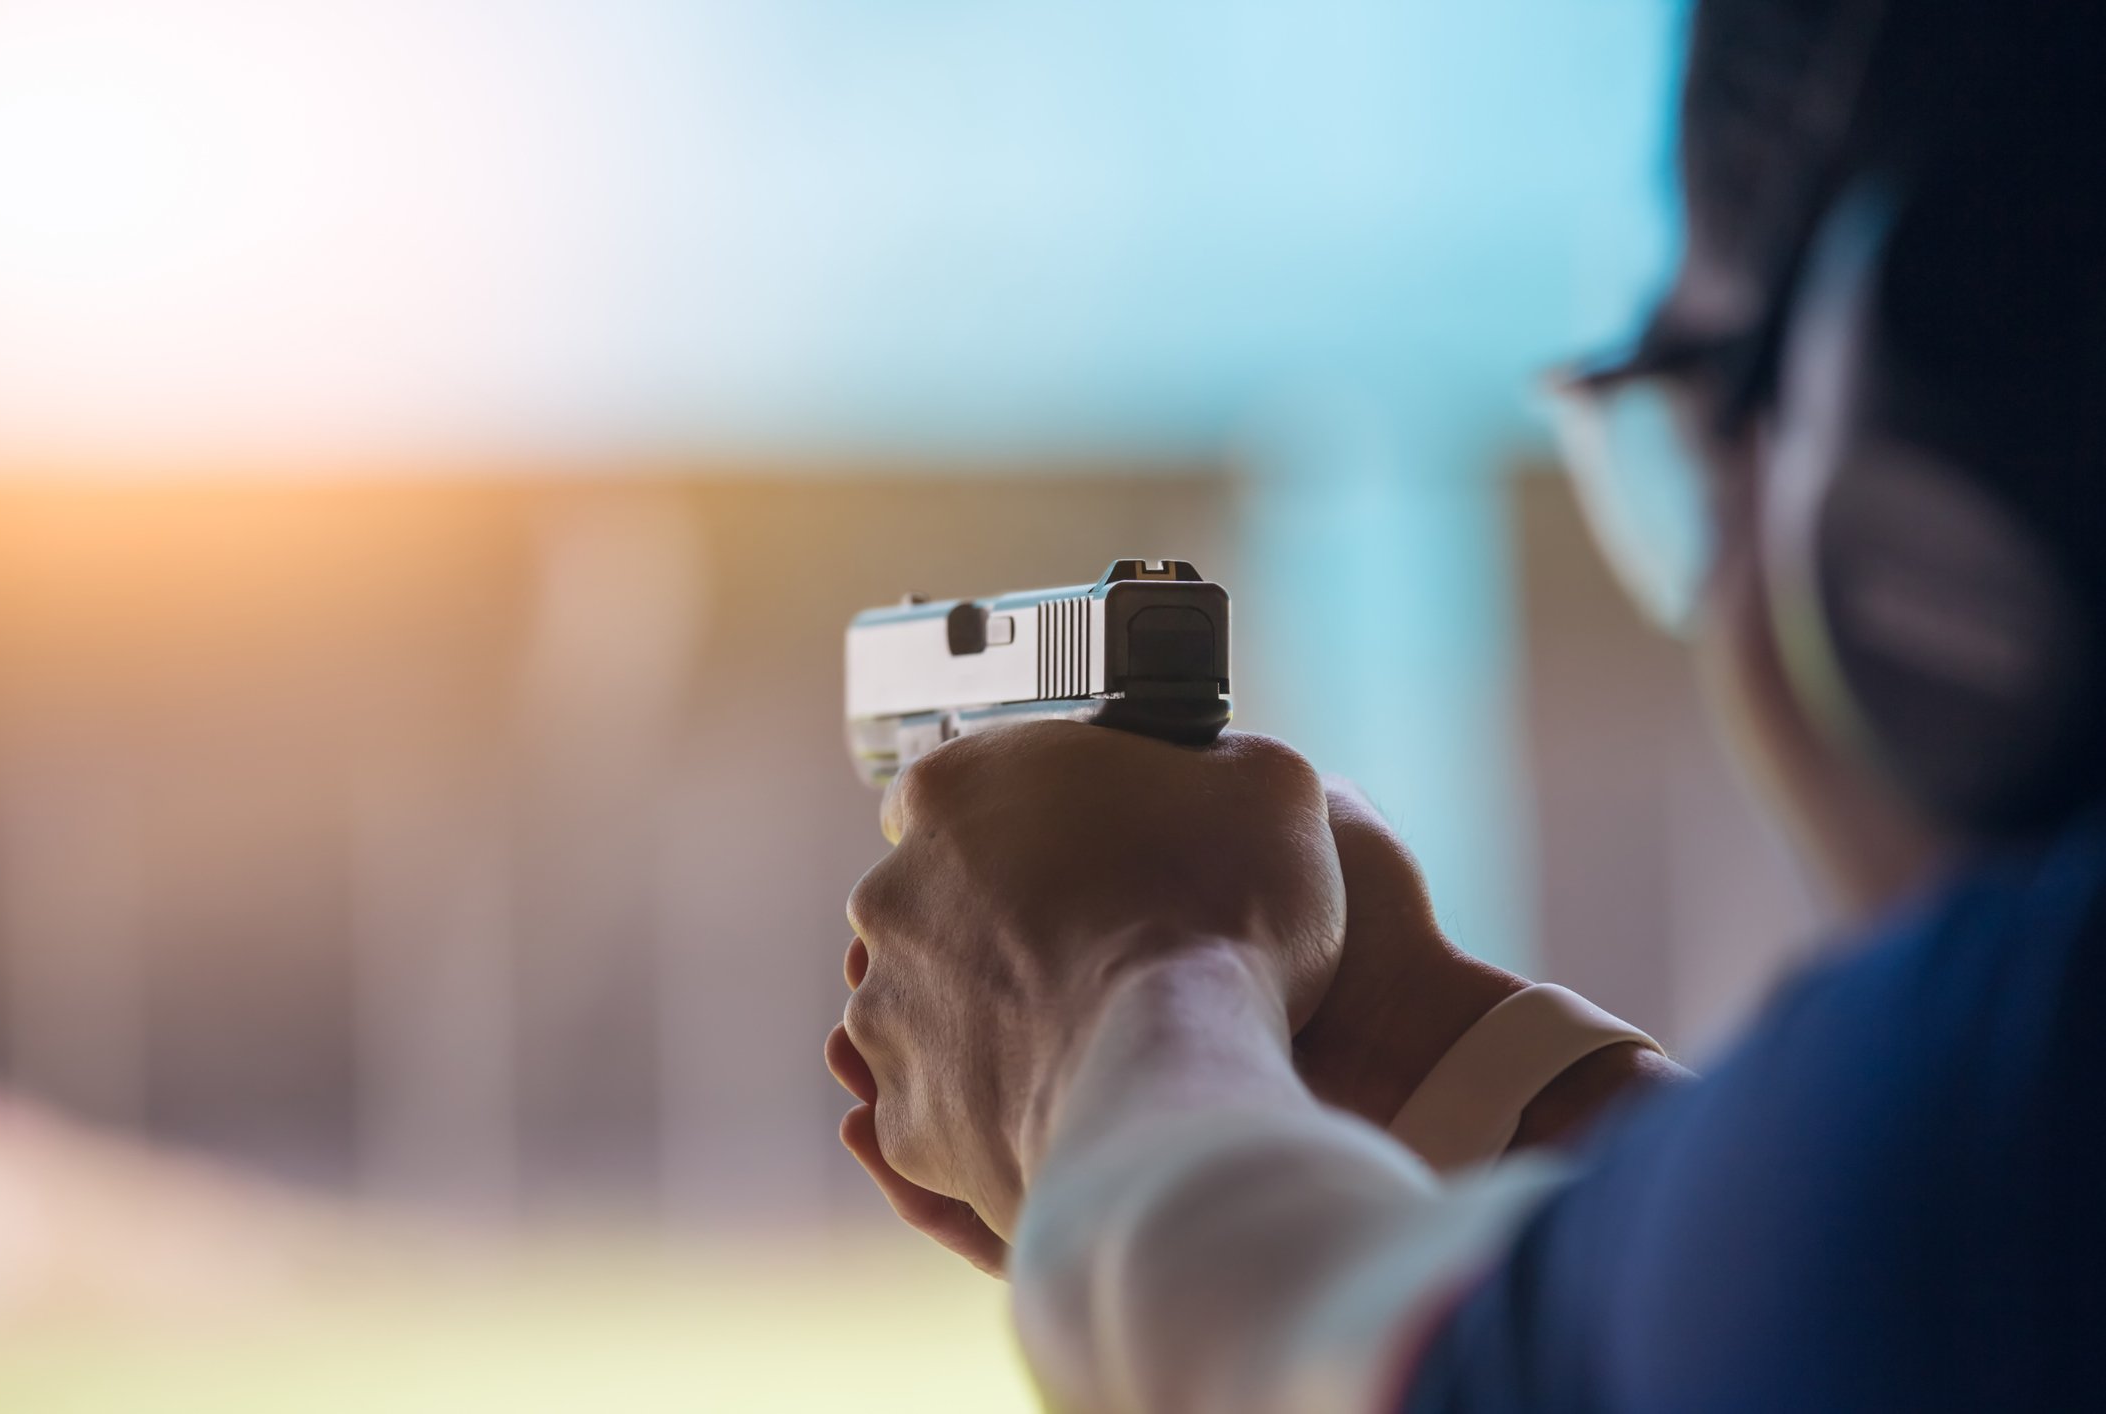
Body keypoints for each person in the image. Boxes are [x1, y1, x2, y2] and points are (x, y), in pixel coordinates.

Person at [824, 0, 2106, 1407]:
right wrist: (1428, 1051)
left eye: (1693, 416)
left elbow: (1296, 1363)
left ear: (1908, 486)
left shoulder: (2006, 1093)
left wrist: (1117, 1008)